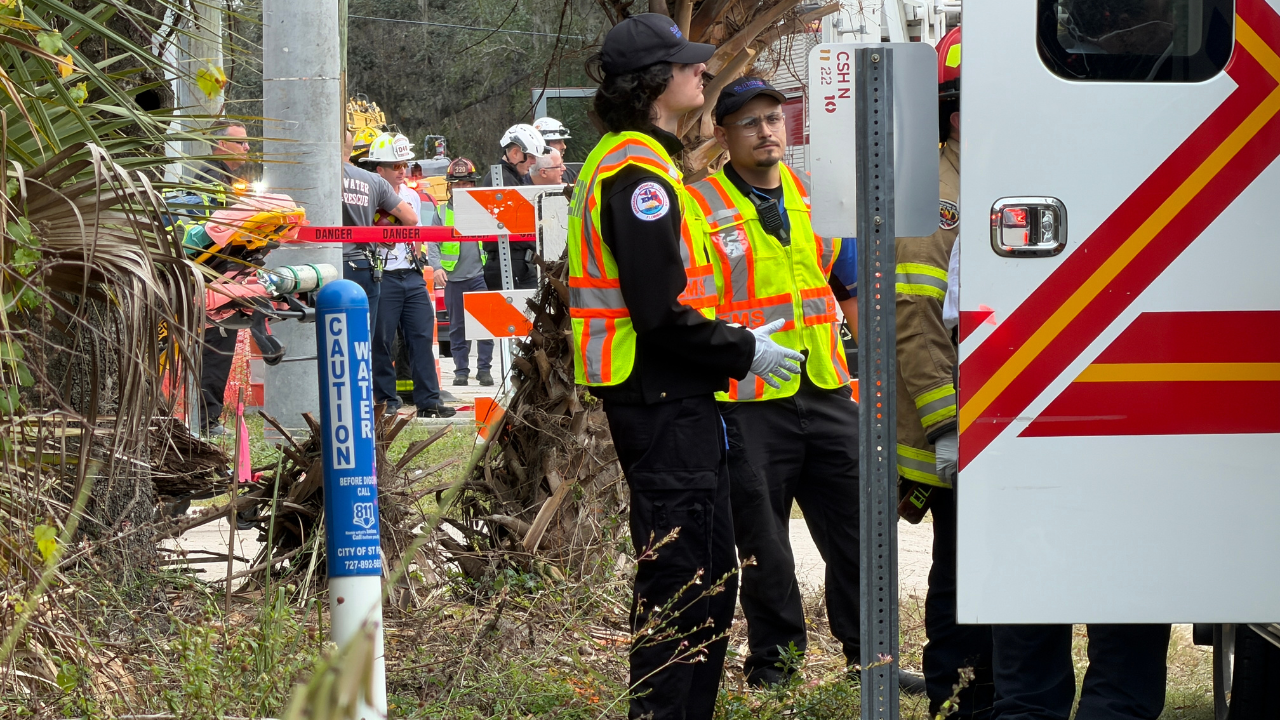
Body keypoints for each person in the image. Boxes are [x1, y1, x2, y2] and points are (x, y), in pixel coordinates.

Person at [569, 15, 802, 720]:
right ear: (653, 83)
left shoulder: (625, 158)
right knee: (684, 581)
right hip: (661, 401)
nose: (704, 71)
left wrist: (727, 338)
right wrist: (741, 348)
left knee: (699, 575)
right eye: (689, 65)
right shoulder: (639, 174)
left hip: (662, 396)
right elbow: (659, 313)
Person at [685, 76, 878, 689]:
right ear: (723, 134)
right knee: (764, 544)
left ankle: (871, 660)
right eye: (750, 122)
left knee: (858, 531)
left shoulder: (814, 196)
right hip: (746, 400)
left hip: (824, 389)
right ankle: (777, 665)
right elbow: (686, 306)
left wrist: (872, 374)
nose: (767, 131)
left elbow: (845, 290)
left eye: (774, 118)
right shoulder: (699, 205)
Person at [893, 27, 995, 717]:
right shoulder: (938, 196)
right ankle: (954, 698)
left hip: (1001, 417)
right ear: (958, 112)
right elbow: (915, 320)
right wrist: (948, 425)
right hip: (955, 423)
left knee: (995, 573)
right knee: (961, 573)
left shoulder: (992, 180)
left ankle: (988, 694)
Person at [362, 132, 455, 419]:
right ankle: (386, 401)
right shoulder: (367, 196)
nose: (402, 171)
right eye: (395, 166)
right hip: (383, 276)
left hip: (411, 275)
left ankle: (428, 400)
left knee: (421, 337)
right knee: (381, 340)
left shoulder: (412, 196)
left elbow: (417, 234)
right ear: (379, 170)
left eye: (404, 164)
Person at [190, 120, 249, 436]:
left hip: (215, 277)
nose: (247, 148)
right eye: (241, 142)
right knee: (215, 348)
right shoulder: (214, 180)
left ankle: (205, 418)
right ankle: (205, 421)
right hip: (214, 279)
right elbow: (218, 231)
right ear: (221, 145)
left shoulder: (220, 177)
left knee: (215, 347)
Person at [341, 129, 418, 327]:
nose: (401, 170)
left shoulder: (316, 178)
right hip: (365, 267)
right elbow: (410, 219)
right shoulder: (373, 181)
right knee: (363, 334)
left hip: (329, 266)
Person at [437, 157, 494, 387]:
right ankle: (461, 371)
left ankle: (484, 370)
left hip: (479, 277)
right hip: (454, 279)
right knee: (457, 328)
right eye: (457, 184)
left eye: (466, 183)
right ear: (450, 186)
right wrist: (438, 267)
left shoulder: (483, 209)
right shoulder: (441, 212)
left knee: (485, 326)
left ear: (473, 184)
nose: (461, 188)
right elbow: (432, 244)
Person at [481, 124, 547, 290]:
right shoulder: (501, 180)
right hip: (510, 262)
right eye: (531, 156)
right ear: (515, 153)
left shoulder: (510, 178)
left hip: (516, 262)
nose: (534, 162)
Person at [533, 116, 578, 184]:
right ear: (543, 145)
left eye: (563, 141)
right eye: (557, 141)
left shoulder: (569, 173)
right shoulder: (523, 178)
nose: (564, 146)